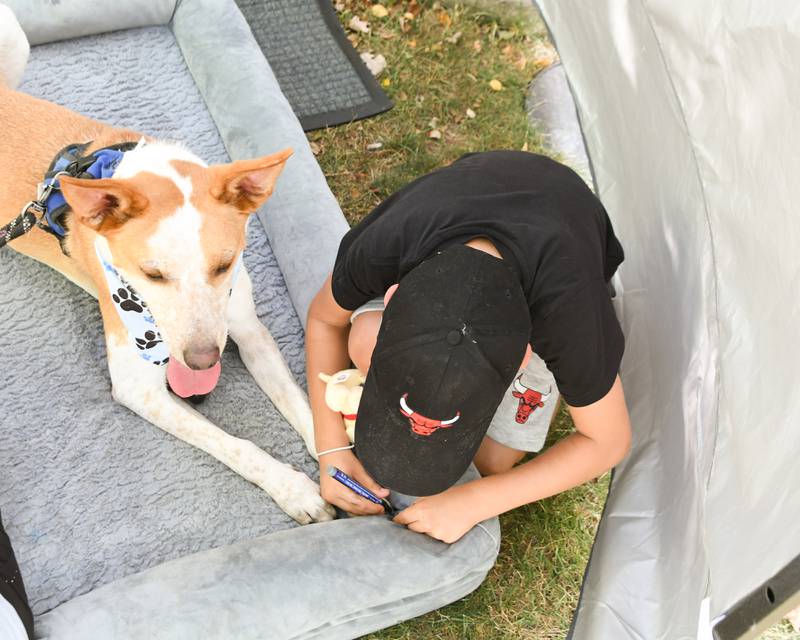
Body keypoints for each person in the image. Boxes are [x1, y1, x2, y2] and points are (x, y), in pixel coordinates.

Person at [306, 150, 631, 543]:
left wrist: (473, 501)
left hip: (567, 227)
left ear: (522, 360)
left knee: (493, 462)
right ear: (392, 297)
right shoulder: (387, 243)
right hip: (470, 191)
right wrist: (330, 449)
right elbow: (324, 319)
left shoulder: (571, 319)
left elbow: (607, 441)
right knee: (362, 343)